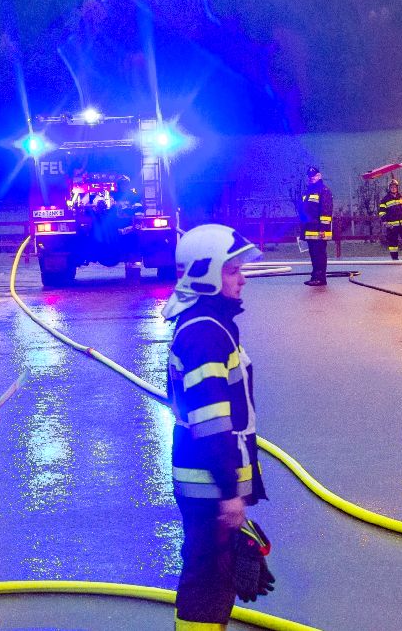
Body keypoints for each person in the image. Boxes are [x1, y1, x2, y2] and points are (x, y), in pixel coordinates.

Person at [162, 224, 268, 631]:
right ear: (205, 274)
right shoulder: (205, 333)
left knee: (213, 581)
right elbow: (212, 423)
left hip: (208, 484)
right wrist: (228, 495)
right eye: (232, 270)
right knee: (207, 588)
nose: (242, 278)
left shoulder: (209, 325)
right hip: (208, 487)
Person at [300, 166, 333, 286]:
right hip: (310, 230)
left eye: (313, 176)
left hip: (319, 230)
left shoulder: (324, 190)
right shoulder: (308, 192)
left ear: (319, 176)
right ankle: (315, 276)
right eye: (309, 176)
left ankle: (320, 278)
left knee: (319, 254)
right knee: (314, 254)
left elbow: (326, 211)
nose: (311, 178)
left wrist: (324, 229)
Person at [378, 178, 402, 260]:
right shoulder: (385, 200)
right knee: (393, 243)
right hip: (392, 225)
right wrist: (385, 221)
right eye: (392, 187)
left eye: (395, 187)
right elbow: (382, 212)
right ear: (389, 188)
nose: (393, 188)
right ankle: (395, 259)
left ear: (397, 188)